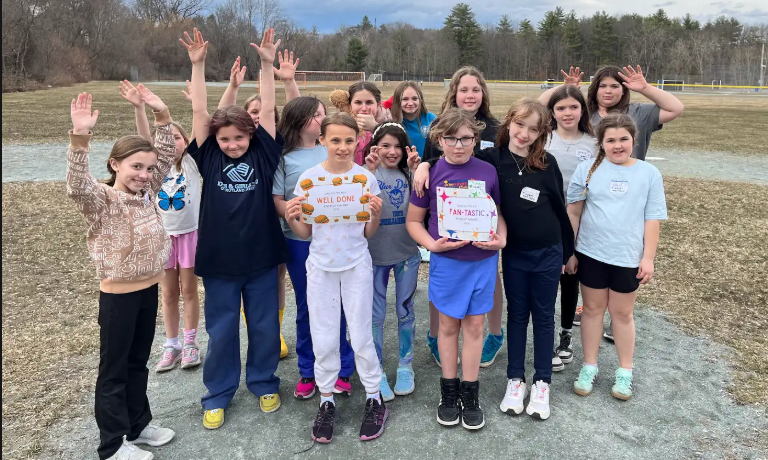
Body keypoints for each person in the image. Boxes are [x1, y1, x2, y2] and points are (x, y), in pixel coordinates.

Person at [414, 99, 573, 421]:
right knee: (513, 316)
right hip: (505, 255)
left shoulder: (544, 163)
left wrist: (567, 251)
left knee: (541, 317)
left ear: (542, 133)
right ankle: (513, 379)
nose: (524, 134)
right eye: (519, 125)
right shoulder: (492, 159)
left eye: (533, 129)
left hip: (541, 251)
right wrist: (423, 164)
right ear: (508, 124)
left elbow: (559, 206)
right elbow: (451, 153)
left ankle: (540, 381)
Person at [180, 27, 289, 429]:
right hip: (220, 260)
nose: (232, 145)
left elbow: (271, 110)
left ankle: (263, 383)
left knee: (263, 327)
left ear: (251, 135)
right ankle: (218, 393)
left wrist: (265, 64)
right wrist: (198, 65)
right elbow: (198, 114)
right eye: (225, 139)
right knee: (222, 331)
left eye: (239, 137)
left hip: (261, 257)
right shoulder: (208, 155)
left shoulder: (263, 151)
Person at [67, 91, 177, 460]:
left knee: (137, 362)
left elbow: (163, 154)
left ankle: (138, 424)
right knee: (113, 371)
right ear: (115, 165)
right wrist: (80, 137)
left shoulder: (149, 191)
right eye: (135, 167)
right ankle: (113, 444)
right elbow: (77, 185)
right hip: (118, 296)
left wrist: (161, 112)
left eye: (148, 169)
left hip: (148, 290)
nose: (144, 175)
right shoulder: (102, 200)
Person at [540, 65, 682, 340]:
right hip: (581, 203)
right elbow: (544, 108)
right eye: (602, 85)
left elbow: (676, 108)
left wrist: (645, 88)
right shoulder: (585, 116)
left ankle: (613, 317)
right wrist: (564, 88)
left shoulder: (638, 113)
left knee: (615, 267)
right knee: (583, 265)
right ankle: (587, 311)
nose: (608, 91)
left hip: (623, 205)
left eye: (615, 85)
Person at [284, 113, 388, 443]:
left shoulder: (364, 180)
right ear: (322, 141)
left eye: (348, 140)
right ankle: (326, 400)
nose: (342, 147)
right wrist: (293, 217)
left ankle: (375, 396)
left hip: (356, 264)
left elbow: (369, 232)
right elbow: (305, 231)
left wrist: (376, 215)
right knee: (325, 337)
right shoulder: (310, 180)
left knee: (360, 336)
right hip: (321, 267)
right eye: (335, 140)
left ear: (358, 141)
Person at [406, 108, 507, 430]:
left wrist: (501, 238)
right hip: (448, 263)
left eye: (466, 139)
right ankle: (448, 391)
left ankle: (470, 391)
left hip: (482, 263)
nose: (459, 145)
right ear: (439, 140)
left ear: (476, 139)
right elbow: (413, 221)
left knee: (475, 327)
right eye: (451, 139)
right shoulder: (431, 173)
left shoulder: (487, 171)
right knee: (448, 327)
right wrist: (431, 245)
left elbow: (498, 214)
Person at [567, 113, 667, 401]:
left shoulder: (648, 174)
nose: (618, 145)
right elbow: (574, 212)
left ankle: (625, 372)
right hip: (591, 253)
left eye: (624, 139)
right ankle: (589, 366)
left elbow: (652, 220)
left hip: (627, 257)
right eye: (610, 140)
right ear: (601, 143)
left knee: (622, 314)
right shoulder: (587, 169)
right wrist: (570, 250)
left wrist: (647, 258)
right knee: (593, 310)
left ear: (634, 140)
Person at [272, 96, 357, 399]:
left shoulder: (332, 149)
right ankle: (309, 370)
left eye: (324, 113)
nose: (323, 118)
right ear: (299, 121)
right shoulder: (284, 158)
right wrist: (292, 211)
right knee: (310, 306)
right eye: (317, 115)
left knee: (341, 305)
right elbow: (278, 199)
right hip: (300, 243)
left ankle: (344, 368)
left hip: (338, 241)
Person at [420, 67, 505, 367]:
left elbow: (501, 166)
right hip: (450, 215)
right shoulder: (441, 125)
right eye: (464, 89)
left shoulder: (496, 129)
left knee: (488, 276)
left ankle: (493, 334)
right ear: (454, 92)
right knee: (443, 280)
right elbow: (432, 159)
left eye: (476, 89)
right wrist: (422, 166)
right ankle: (436, 334)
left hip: (483, 218)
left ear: (484, 93)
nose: (470, 95)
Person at [218, 52, 302, 359]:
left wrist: (289, 81)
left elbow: (299, 112)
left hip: (281, 214)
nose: (257, 116)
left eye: (262, 112)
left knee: (278, 276)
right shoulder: (235, 144)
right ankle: (260, 330)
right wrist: (233, 86)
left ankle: (275, 331)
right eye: (251, 111)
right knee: (256, 277)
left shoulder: (279, 139)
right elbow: (220, 115)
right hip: (252, 218)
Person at [118, 80, 204, 373]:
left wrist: (196, 101)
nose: (176, 143)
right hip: (163, 238)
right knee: (168, 294)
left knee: (190, 290)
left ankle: (191, 343)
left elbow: (200, 125)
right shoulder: (154, 169)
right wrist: (139, 107)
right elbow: (144, 139)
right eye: (171, 139)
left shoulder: (192, 163)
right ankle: (172, 345)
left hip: (190, 235)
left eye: (180, 138)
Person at [363, 122, 422, 401]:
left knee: (405, 312)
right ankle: (375, 370)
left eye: (398, 145)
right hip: (374, 258)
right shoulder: (364, 174)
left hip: (407, 255)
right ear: (375, 146)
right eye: (385, 145)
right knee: (375, 317)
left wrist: (415, 170)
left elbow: (427, 204)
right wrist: (368, 172)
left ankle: (405, 364)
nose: (392, 151)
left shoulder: (411, 173)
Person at [544, 85, 598, 372]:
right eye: (560, 107)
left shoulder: (593, 143)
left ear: (582, 110)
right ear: (552, 112)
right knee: (548, 280)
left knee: (570, 277)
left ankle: (565, 335)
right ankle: (549, 335)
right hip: (547, 220)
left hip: (580, 221)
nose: (567, 113)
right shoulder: (543, 139)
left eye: (573, 107)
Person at [328, 81, 382, 166]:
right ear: (350, 105)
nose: (364, 108)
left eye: (369, 102)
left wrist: (375, 127)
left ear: (378, 105)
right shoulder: (340, 128)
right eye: (358, 102)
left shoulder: (386, 128)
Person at [389, 81, 436, 157]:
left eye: (414, 99)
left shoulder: (431, 119)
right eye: (405, 99)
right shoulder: (393, 123)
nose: (410, 103)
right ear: (398, 101)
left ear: (420, 100)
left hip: (427, 167)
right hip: (403, 167)